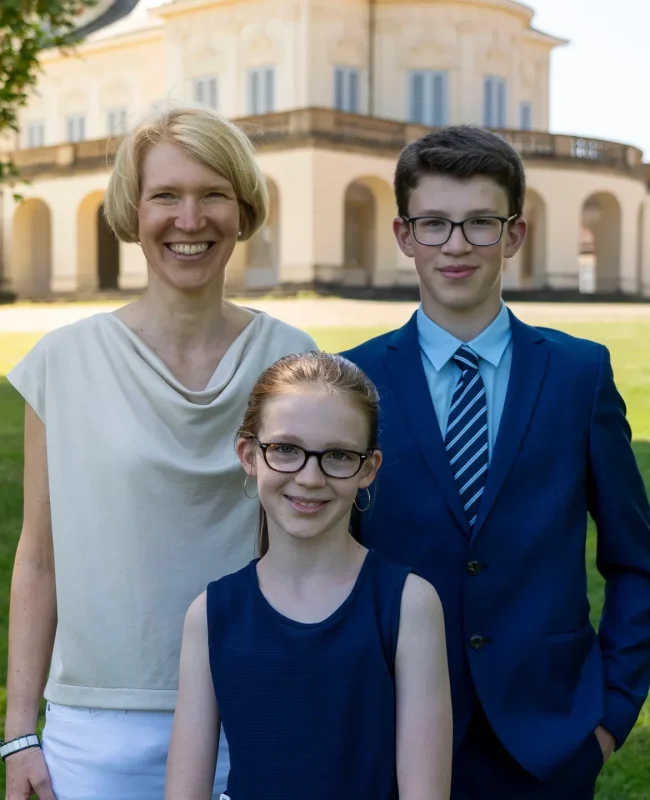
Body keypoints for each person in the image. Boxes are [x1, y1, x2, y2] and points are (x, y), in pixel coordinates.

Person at [3, 106, 316, 800]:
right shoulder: (63, 363)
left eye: (213, 195)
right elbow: (39, 556)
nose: (190, 218)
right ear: (132, 211)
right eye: (166, 196)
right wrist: (20, 733)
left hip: (259, 708)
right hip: (100, 730)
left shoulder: (295, 362)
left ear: (242, 212)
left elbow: (328, 547)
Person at [341, 125, 650, 799]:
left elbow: (636, 561)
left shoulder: (580, 375)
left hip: (550, 741)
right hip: (390, 733)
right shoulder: (349, 381)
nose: (456, 245)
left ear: (514, 234)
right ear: (403, 235)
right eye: (435, 224)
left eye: (481, 223)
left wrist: (611, 714)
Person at [165, 351, 453, 800]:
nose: (310, 477)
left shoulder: (408, 605)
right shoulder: (212, 615)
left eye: (337, 455)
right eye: (286, 450)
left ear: (368, 469)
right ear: (249, 455)